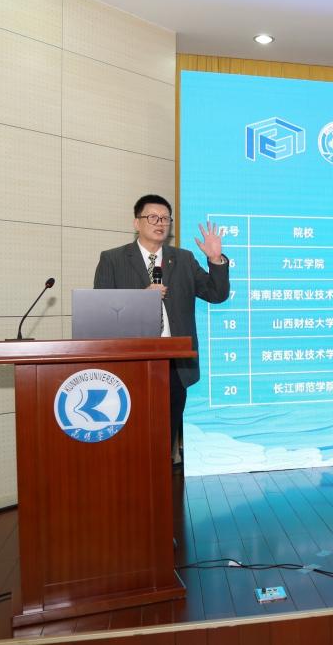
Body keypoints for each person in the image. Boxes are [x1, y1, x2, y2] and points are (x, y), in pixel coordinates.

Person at [94, 194, 230, 466]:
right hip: (131, 363)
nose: (160, 223)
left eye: (165, 219)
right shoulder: (113, 259)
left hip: (174, 364)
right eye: (152, 217)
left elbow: (217, 294)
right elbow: (101, 313)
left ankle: (163, 476)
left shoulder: (183, 259)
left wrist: (216, 259)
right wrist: (141, 299)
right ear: (137, 222)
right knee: (133, 433)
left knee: (166, 434)